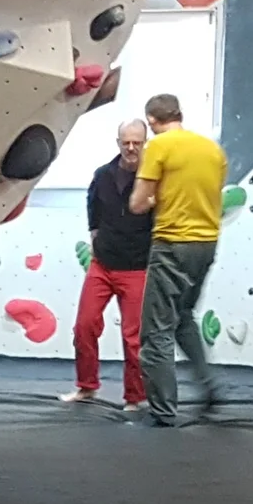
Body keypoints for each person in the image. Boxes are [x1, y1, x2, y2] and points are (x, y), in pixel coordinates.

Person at [128, 94, 228, 425]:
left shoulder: (160, 146)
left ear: (152, 121)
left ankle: (162, 412)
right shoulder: (212, 150)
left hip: (172, 244)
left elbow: (138, 204)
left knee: (156, 330)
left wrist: (155, 195)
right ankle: (209, 386)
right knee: (184, 317)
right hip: (206, 244)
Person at [62, 119, 154, 410]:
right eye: (125, 142)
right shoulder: (102, 175)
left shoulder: (154, 179)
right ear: (118, 143)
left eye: (136, 143)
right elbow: (93, 209)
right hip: (102, 265)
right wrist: (95, 240)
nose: (130, 148)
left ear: (145, 143)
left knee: (133, 338)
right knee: (84, 327)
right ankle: (87, 386)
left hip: (137, 267)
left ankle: (135, 397)